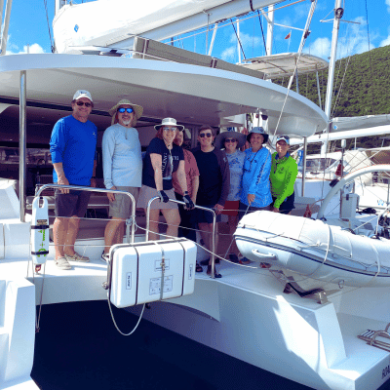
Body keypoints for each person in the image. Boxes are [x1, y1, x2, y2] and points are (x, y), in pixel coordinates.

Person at [50, 90, 97, 270]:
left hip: (84, 183)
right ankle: (59, 255)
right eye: (80, 103)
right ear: (73, 105)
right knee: (62, 218)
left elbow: (93, 154)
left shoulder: (92, 128)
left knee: (76, 219)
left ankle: (69, 251)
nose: (83, 106)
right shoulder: (63, 124)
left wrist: (92, 177)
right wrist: (61, 177)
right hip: (66, 181)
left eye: (87, 104)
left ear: (91, 107)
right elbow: (55, 150)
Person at [138, 118, 194, 241]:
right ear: (161, 130)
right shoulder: (156, 143)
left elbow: (180, 173)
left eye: (173, 128)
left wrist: (186, 194)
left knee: (175, 221)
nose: (170, 131)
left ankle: (169, 251)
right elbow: (157, 168)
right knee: (153, 223)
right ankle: (153, 253)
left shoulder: (178, 149)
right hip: (151, 187)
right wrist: (160, 191)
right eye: (166, 128)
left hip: (168, 189)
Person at [101, 99, 144, 262]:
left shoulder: (135, 132)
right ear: (117, 115)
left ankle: (117, 250)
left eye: (129, 110)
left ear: (133, 115)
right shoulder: (111, 131)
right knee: (117, 219)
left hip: (134, 184)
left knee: (123, 220)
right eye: (122, 110)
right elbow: (107, 158)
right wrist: (108, 185)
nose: (125, 113)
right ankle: (106, 252)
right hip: (119, 183)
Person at [192, 125, 230, 277]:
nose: (205, 137)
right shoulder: (193, 153)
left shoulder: (220, 155)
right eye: (202, 135)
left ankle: (212, 264)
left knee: (213, 231)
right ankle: (210, 257)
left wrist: (221, 202)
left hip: (214, 200)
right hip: (197, 200)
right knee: (203, 229)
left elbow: (226, 180)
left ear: (213, 137)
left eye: (208, 135)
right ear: (198, 137)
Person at [239, 127, 272, 264]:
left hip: (259, 198)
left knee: (261, 230)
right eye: (253, 137)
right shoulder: (245, 152)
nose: (255, 139)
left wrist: (252, 191)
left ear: (263, 139)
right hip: (243, 197)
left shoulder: (265, 154)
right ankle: (249, 255)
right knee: (247, 228)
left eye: (259, 137)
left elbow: (260, 174)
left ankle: (265, 257)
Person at [214, 130, 246, 263]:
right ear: (224, 143)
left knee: (234, 223)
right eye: (228, 140)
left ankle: (234, 252)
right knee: (214, 223)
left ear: (237, 143)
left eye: (233, 140)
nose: (231, 143)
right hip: (220, 194)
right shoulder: (218, 155)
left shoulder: (243, 156)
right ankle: (213, 253)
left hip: (236, 196)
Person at [172, 128, 199, 243]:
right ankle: (176, 258)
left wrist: (193, 198)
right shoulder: (163, 153)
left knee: (188, 228)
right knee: (174, 227)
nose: (178, 138)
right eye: (176, 135)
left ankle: (191, 259)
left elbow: (195, 177)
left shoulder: (188, 155)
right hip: (171, 196)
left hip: (186, 196)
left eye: (181, 136)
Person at [270, 136, 298, 214]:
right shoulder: (272, 157)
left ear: (288, 146)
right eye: (279, 143)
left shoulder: (292, 164)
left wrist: (277, 204)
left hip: (285, 199)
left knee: (283, 224)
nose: (281, 146)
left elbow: (288, 186)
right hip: (272, 196)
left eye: (284, 144)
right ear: (276, 145)